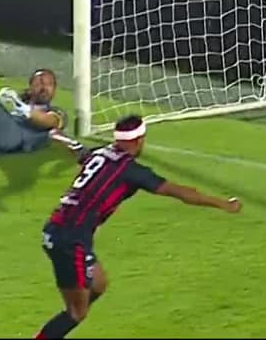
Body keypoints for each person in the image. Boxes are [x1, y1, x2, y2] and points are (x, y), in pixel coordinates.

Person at [34, 115, 241, 339]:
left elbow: (77, 149)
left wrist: (57, 136)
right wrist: (223, 204)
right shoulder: (130, 170)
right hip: (70, 240)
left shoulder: (100, 154)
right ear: (139, 140)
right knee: (76, 313)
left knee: (99, 283)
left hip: (58, 230)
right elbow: (180, 192)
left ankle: (72, 305)